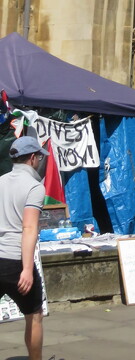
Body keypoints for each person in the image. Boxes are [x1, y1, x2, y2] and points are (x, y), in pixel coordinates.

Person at [0, 135, 48, 360]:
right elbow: (29, 228)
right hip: (15, 260)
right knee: (34, 314)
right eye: (38, 156)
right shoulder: (34, 187)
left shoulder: (0, 182)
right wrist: (27, 269)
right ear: (31, 159)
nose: (39, 160)